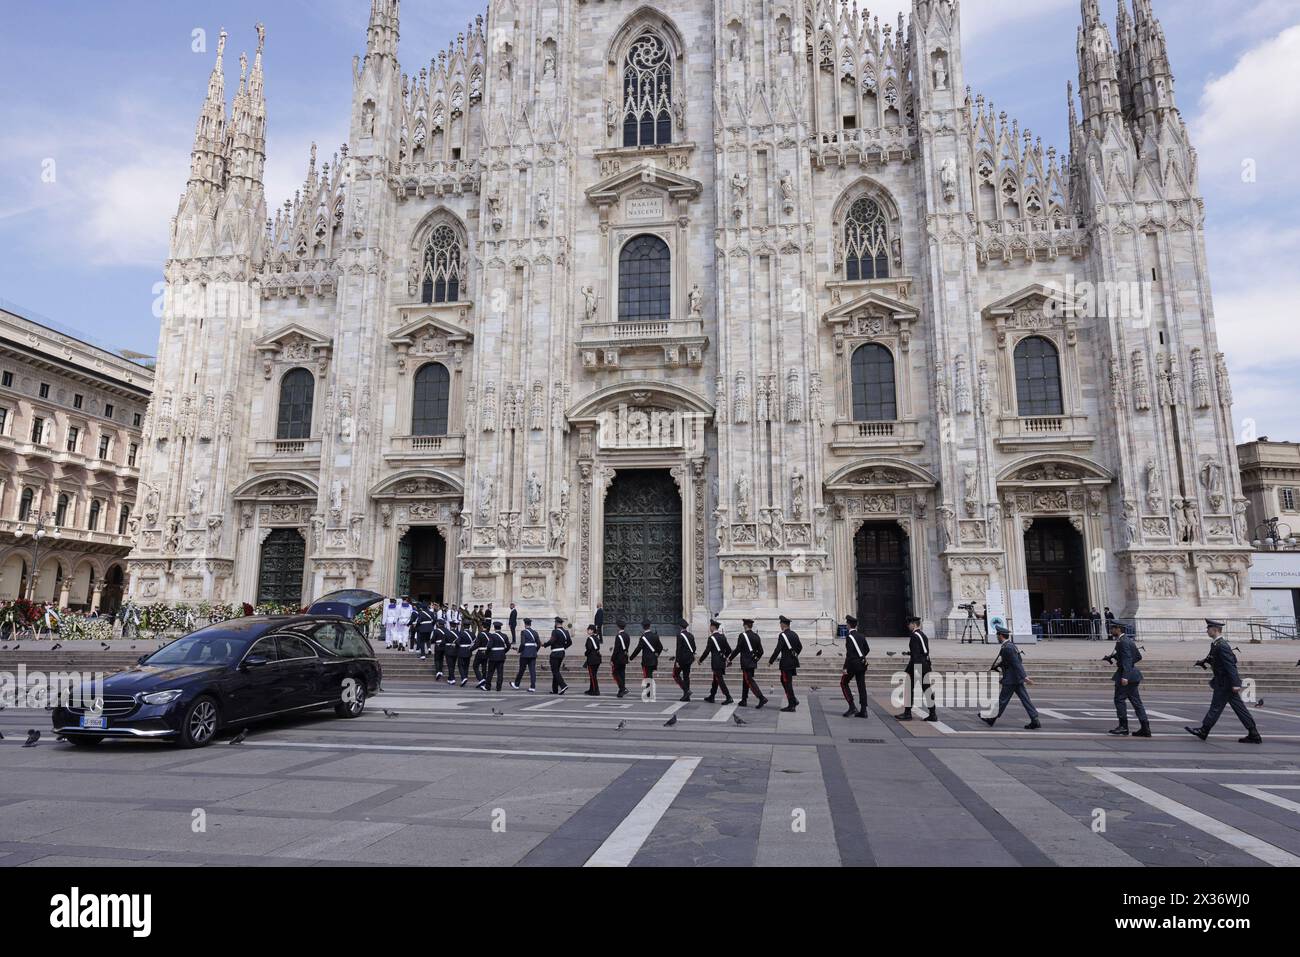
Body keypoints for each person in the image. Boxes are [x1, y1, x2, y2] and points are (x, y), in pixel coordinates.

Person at [1186, 620, 1262, 744]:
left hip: (1225, 683)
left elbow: (1230, 665)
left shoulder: (1222, 645)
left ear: (1215, 630)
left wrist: (1236, 684)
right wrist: (1203, 662)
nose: (1207, 631)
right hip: (1224, 682)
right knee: (1240, 708)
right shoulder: (1216, 644)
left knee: (1215, 707)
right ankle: (1253, 733)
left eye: (1208, 629)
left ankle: (1204, 731)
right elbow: (1214, 658)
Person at [982, 624, 1041, 729]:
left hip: (1011, 679)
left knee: (1002, 700)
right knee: (1025, 699)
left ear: (1001, 635)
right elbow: (1009, 661)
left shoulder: (1008, 647)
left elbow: (1017, 663)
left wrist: (1025, 677)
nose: (996, 636)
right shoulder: (1009, 645)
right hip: (1015, 678)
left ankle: (991, 718)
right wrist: (998, 666)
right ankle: (1035, 719)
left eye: (997, 635)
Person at [1107, 621, 1150, 737]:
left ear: (1118, 629)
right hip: (1133, 675)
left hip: (1126, 676)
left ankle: (1123, 727)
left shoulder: (1122, 641)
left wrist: (1125, 675)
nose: (1111, 631)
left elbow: (1127, 658)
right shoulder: (1127, 640)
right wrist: (1115, 657)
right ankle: (1145, 728)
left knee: (1119, 699)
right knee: (1136, 703)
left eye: (1112, 628)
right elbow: (1137, 656)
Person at [899, 615, 937, 722]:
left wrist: (914, 670)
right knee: (926, 689)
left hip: (917, 666)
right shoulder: (922, 635)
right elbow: (923, 651)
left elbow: (916, 655)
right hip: (924, 664)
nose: (908, 626)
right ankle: (933, 713)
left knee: (908, 689)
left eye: (909, 624)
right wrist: (908, 653)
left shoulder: (914, 636)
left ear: (914, 624)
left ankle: (907, 713)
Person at [730, 618, 768, 708]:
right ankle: (744, 700)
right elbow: (761, 651)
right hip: (752, 663)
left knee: (749, 681)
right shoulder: (756, 636)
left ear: (745, 625)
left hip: (745, 663)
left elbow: (738, 649)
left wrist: (730, 658)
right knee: (745, 681)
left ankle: (761, 698)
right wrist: (755, 659)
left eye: (744, 625)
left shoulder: (742, 636)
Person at [768, 615, 802, 712]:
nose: (780, 625)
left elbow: (777, 649)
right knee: (784, 681)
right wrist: (794, 655)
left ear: (783, 624)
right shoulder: (794, 634)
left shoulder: (782, 635)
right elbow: (800, 647)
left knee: (787, 683)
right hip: (793, 662)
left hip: (786, 664)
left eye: (780, 624)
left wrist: (771, 661)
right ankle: (793, 700)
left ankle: (791, 705)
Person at [840, 614, 869, 718]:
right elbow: (867, 649)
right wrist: (861, 656)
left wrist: (845, 667)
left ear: (848, 625)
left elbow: (850, 654)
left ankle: (852, 707)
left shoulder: (849, 637)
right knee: (861, 686)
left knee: (843, 683)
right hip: (862, 663)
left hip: (853, 665)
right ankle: (864, 710)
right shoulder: (861, 636)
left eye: (847, 624)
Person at [700, 619, 734, 704]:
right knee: (715, 680)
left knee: (720, 680)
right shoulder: (723, 636)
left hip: (716, 663)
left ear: (713, 627)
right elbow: (729, 650)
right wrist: (724, 656)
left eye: (710, 626)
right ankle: (712, 696)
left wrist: (700, 660)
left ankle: (728, 697)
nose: (709, 628)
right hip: (721, 662)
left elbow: (707, 651)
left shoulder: (711, 638)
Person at [630, 619, 663, 691]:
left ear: (643, 627)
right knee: (649, 675)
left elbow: (638, 649)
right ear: (649, 626)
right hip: (654, 659)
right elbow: (660, 647)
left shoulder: (643, 637)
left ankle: (649, 691)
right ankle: (649, 690)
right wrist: (657, 654)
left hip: (646, 660)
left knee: (647, 676)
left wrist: (631, 657)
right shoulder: (655, 636)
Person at [511, 617, 541, 692]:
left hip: (525, 654)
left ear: (525, 624)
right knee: (532, 671)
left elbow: (523, 644)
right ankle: (532, 687)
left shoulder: (523, 632)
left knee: (521, 669)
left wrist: (519, 651)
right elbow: (539, 644)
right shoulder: (535, 632)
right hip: (533, 654)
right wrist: (535, 651)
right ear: (530, 624)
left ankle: (517, 684)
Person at [544, 616, 572, 695]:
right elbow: (570, 642)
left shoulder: (555, 631)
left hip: (555, 653)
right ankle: (555, 690)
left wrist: (545, 645)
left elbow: (552, 641)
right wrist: (563, 648)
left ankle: (563, 685)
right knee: (556, 671)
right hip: (562, 653)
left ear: (556, 623)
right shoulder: (566, 632)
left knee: (555, 671)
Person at [672, 617, 697, 702]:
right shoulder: (691, 635)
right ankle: (687, 696)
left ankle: (686, 691)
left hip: (681, 659)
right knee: (686, 676)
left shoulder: (680, 636)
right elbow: (694, 648)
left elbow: (678, 649)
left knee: (675, 674)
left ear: (680, 627)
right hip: (689, 659)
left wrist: (677, 661)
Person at [485, 621, 510, 691]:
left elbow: (489, 646)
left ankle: (488, 686)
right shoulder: (504, 636)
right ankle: (499, 687)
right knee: (500, 673)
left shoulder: (492, 636)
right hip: (501, 656)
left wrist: (487, 653)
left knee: (490, 672)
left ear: (494, 628)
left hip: (493, 656)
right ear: (500, 628)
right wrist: (504, 651)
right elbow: (508, 645)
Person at [610, 619, 631, 698]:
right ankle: (621, 690)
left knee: (615, 673)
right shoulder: (627, 635)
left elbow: (616, 649)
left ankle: (622, 688)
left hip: (618, 658)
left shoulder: (618, 636)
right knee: (622, 674)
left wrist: (612, 659)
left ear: (618, 627)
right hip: (624, 657)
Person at [453, 618, 475, 687]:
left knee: (460, 665)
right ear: (469, 626)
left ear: (463, 626)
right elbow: (475, 642)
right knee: (466, 665)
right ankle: (465, 676)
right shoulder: (472, 634)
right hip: (468, 651)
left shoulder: (461, 633)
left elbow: (457, 642)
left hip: (462, 651)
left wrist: (458, 647)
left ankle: (463, 677)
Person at [582, 624, 603, 695]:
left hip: (592, 660)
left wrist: (586, 653)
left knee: (593, 676)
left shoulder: (590, 639)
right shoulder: (596, 638)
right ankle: (591, 689)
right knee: (593, 675)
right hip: (597, 659)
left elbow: (589, 649)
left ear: (592, 630)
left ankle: (596, 690)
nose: (587, 630)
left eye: (588, 629)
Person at [472, 621, 490, 689]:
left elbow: (477, 644)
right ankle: (484, 680)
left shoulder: (480, 634)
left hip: (480, 652)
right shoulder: (490, 635)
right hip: (487, 653)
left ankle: (481, 679)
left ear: (482, 627)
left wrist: (470, 649)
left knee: (475, 666)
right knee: (484, 667)